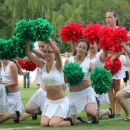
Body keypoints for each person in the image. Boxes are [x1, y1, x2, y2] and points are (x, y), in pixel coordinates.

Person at [25, 39, 72, 127]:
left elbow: (57, 52)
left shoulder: (58, 65)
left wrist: (47, 38)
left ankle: (71, 121)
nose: (46, 54)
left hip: (61, 101)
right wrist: (27, 40)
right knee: (44, 124)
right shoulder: (42, 65)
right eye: (45, 52)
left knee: (53, 124)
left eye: (50, 52)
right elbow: (28, 53)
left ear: (54, 54)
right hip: (49, 101)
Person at [65, 39, 99, 125]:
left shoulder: (89, 63)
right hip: (73, 94)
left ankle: (96, 117)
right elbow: (65, 80)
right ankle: (79, 120)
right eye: (79, 47)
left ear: (87, 51)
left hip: (86, 92)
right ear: (76, 47)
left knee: (90, 112)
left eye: (84, 48)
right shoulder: (68, 61)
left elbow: (96, 77)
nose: (81, 49)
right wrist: (72, 77)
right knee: (70, 122)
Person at [106, 10, 125, 116]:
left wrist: (113, 58)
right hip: (107, 62)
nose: (108, 19)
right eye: (106, 18)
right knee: (109, 87)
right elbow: (104, 48)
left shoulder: (120, 30)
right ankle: (111, 110)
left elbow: (124, 49)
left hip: (117, 61)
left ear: (115, 18)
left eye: (110, 17)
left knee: (117, 87)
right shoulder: (105, 31)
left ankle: (118, 111)